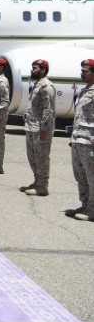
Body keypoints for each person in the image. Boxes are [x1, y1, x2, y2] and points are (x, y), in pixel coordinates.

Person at [20, 59, 55, 197]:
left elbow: (48, 110)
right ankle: (37, 181)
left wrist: (44, 130)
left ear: (43, 69)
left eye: (35, 68)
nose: (32, 70)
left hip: (41, 129)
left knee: (41, 158)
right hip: (31, 126)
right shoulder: (37, 85)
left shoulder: (47, 86)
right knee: (33, 157)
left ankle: (42, 186)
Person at [66, 59, 94, 222]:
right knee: (80, 175)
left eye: (85, 71)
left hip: (90, 141)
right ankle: (85, 204)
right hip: (78, 138)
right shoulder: (84, 91)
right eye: (81, 71)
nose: (81, 74)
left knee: (92, 176)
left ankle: (92, 208)